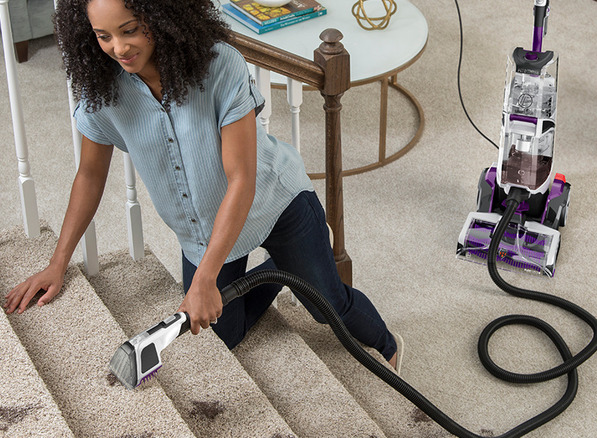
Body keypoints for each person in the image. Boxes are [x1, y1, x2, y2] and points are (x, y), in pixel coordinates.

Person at [3, 0, 402, 371]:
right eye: (103, 36)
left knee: (327, 306)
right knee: (221, 337)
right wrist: (57, 263)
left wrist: (205, 278)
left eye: (130, 30)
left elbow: (242, 179)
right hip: (205, 231)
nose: (119, 48)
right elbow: (90, 174)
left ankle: (390, 345)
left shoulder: (218, 65)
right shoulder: (104, 88)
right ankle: (282, 269)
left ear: (159, 16)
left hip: (275, 203)